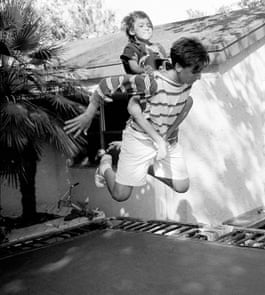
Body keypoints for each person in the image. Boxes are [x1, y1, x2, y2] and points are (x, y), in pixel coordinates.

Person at [64, 37, 209, 202]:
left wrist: (166, 135)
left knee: (182, 186)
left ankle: (145, 167)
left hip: (160, 138)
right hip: (139, 139)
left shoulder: (187, 83)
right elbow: (107, 84)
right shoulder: (151, 83)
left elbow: (184, 104)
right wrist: (89, 113)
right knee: (121, 194)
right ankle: (104, 165)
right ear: (177, 66)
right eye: (195, 71)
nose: (199, 77)